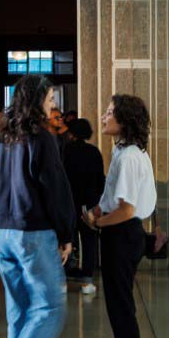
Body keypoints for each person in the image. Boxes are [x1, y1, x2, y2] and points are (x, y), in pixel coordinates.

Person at [0, 75, 75, 338]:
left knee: (21, 311)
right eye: (51, 97)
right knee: (51, 308)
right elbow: (55, 188)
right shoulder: (41, 137)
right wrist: (66, 234)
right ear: (38, 98)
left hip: (4, 233)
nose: (53, 104)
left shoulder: (6, 136)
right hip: (33, 233)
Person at [84, 95, 157, 338]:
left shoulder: (128, 157)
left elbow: (127, 210)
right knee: (119, 306)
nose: (103, 117)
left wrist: (97, 224)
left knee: (121, 308)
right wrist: (98, 212)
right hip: (121, 232)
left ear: (124, 121)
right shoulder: (123, 151)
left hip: (124, 234)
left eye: (110, 113)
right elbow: (111, 197)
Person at [62, 118, 105, 294]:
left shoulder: (65, 151)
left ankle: (62, 279)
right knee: (89, 240)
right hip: (88, 203)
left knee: (66, 239)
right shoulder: (94, 152)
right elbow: (100, 179)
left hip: (69, 202)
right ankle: (87, 280)